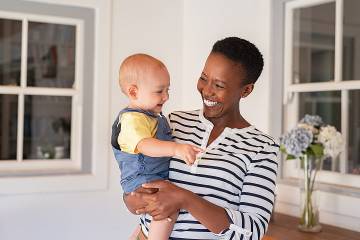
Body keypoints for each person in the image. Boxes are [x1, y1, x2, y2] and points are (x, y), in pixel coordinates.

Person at [124, 37, 280, 240]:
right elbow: (138, 171)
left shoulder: (262, 148)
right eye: (204, 78)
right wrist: (130, 199)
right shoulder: (171, 122)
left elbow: (253, 231)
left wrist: (185, 199)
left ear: (246, 90)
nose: (207, 90)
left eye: (219, 85)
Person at [111, 54, 203, 240]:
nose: (166, 96)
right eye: (159, 91)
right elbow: (145, 145)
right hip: (142, 179)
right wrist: (176, 149)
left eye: (168, 90)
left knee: (163, 209)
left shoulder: (151, 115)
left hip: (153, 177)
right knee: (166, 209)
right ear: (134, 92)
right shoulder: (131, 119)